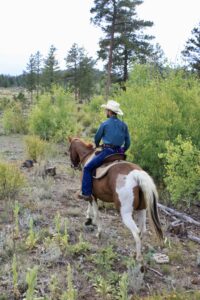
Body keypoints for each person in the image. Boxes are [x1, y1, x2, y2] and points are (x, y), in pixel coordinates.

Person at [79, 100, 131, 201]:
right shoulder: (124, 125)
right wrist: (122, 149)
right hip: (119, 154)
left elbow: (97, 138)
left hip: (107, 152)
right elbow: (128, 143)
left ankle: (86, 193)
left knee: (87, 167)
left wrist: (98, 145)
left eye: (106, 110)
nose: (105, 112)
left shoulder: (105, 124)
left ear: (110, 112)